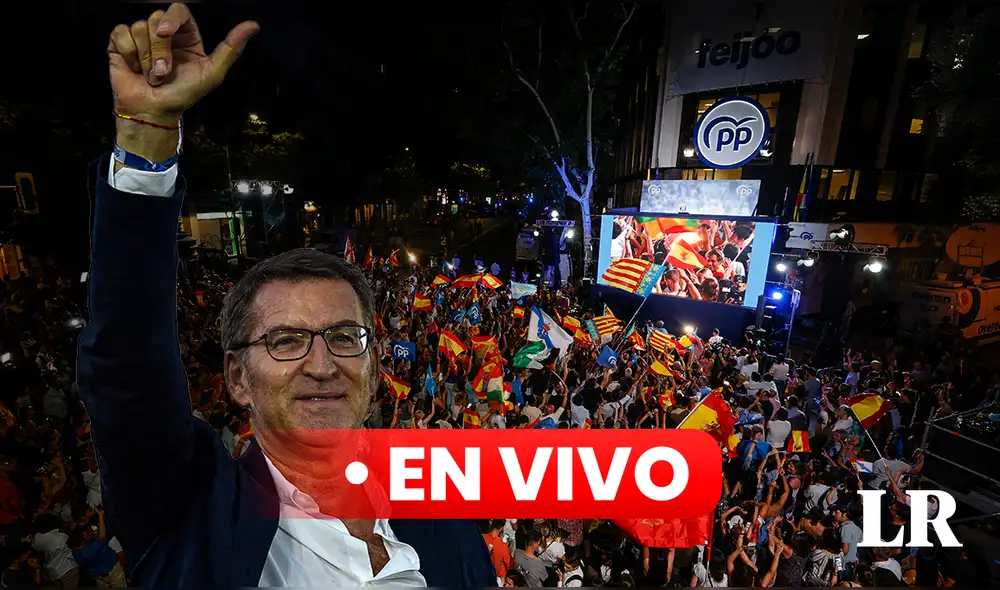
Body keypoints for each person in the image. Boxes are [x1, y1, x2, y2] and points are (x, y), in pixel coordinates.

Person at [78, 4, 494, 586]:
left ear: (374, 368)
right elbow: (127, 367)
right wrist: (147, 140)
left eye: (345, 338)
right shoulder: (195, 517)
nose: (321, 365)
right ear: (238, 378)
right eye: (287, 341)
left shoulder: (447, 529)